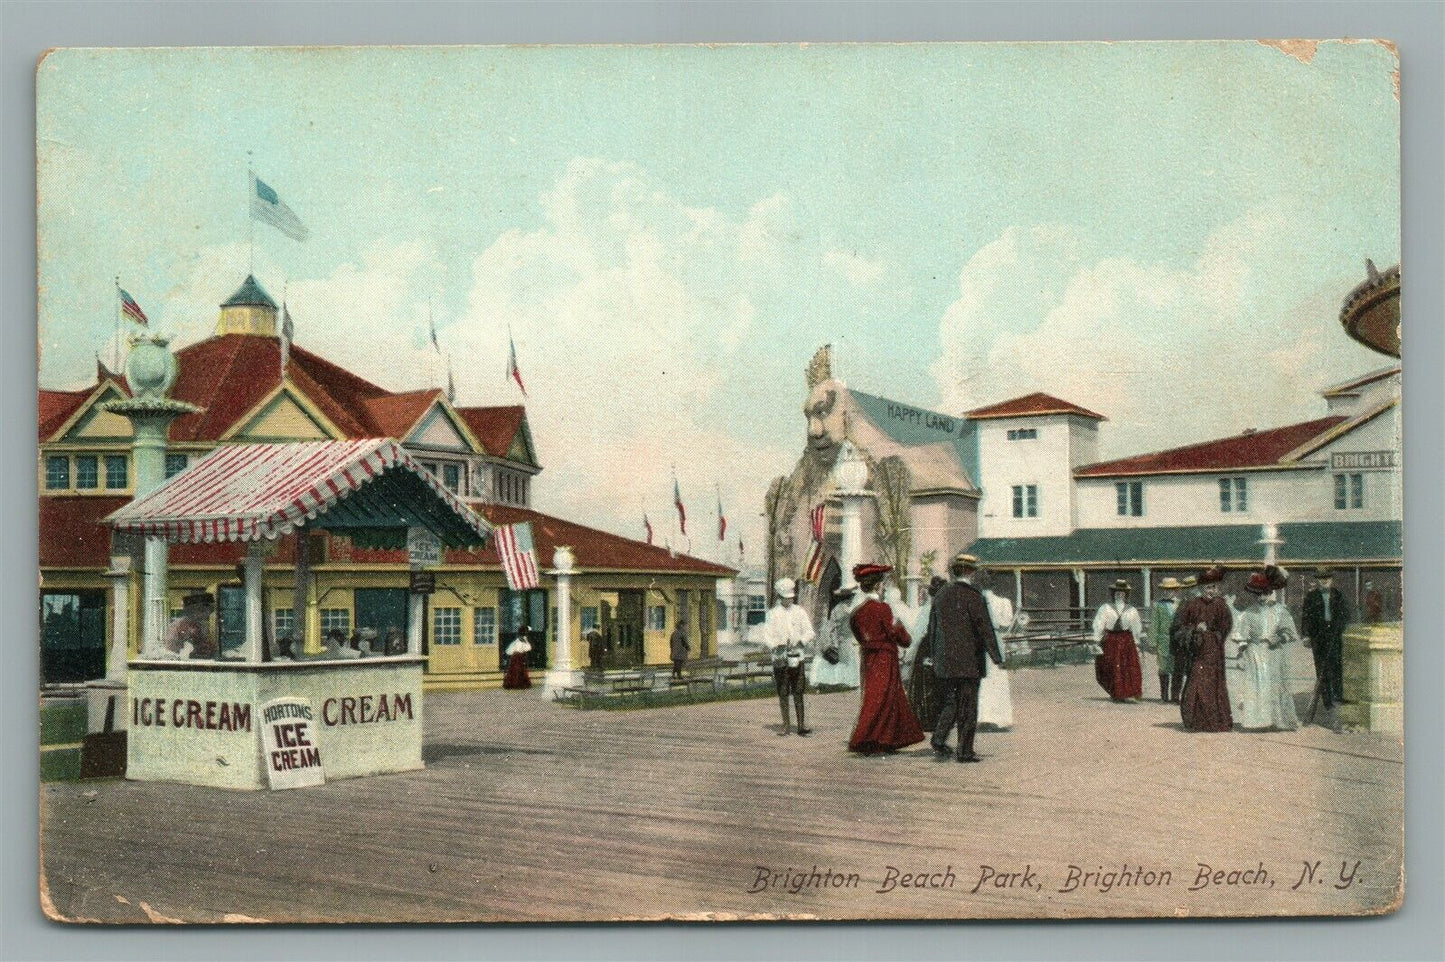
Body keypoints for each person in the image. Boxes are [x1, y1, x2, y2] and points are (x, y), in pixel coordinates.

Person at [923, 553, 1003, 763]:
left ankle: (939, 739)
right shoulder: (974, 597)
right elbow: (984, 628)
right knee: (968, 706)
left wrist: (933, 655)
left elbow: (932, 629)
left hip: (945, 661)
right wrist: (996, 656)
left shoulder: (940, 595)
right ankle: (965, 750)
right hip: (969, 662)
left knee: (951, 702)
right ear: (971, 572)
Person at [848, 563, 925, 754]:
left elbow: (858, 633)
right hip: (885, 657)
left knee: (873, 694)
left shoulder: (857, 611)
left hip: (868, 656)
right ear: (877, 586)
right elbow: (896, 634)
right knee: (885, 696)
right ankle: (872, 737)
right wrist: (903, 635)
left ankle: (880, 736)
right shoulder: (882, 609)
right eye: (882, 584)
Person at [1234, 566, 1300, 732]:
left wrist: (1278, 637)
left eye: (1265, 593)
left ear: (1271, 592)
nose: (1262, 597)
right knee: (1257, 685)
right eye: (1259, 594)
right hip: (1254, 652)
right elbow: (1241, 635)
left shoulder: (1280, 611)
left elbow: (1290, 632)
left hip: (1274, 652)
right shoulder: (1249, 613)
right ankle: (1258, 721)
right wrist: (1242, 651)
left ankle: (1279, 720)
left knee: (1276, 685)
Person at [1172, 565, 1234, 732]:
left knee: (1214, 684)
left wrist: (1215, 635)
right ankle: (1194, 721)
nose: (1211, 591)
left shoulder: (1221, 605)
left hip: (1214, 651)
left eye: (1214, 587)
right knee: (1196, 682)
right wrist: (1194, 630)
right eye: (1208, 587)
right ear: (1201, 588)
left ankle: (1214, 722)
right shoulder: (1190, 605)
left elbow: (1226, 627)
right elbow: (1178, 628)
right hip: (1197, 651)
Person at [762, 578, 815, 736]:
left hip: (796, 657)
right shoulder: (772, 614)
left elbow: (810, 631)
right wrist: (776, 644)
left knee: (798, 690)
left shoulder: (799, 611)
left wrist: (800, 641)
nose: (789, 600)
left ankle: (801, 725)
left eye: (791, 597)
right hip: (780, 657)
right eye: (786, 597)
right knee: (783, 691)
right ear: (779, 597)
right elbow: (766, 635)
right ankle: (786, 724)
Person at [1301, 567, 1350, 709]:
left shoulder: (1338, 595)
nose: (1324, 581)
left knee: (1336, 666)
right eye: (1321, 579)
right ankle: (1327, 701)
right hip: (1318, 636)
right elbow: (1306, 617)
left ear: (1331, 580)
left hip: (1334, 635)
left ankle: (1338, 696)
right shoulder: (1311, 597)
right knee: (1321, 668)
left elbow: (1345, 615)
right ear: (1317, 580)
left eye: (1327, 579)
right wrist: (1306, 636)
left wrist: (1340, 628)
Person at [905, 576, 947, 733]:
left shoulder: (927, 610)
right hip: (939, 646)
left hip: (928, 646)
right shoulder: (945, 608)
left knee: (926, 682)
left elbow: (917, 633)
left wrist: (910, 653)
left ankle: (926, 718)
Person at [1091, 580, 1143, 701]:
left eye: (1122, 593)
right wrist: (1097, 639)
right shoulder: (1106, 608)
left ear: (1126, 595)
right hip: (1111, 639)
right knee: (1110, 665)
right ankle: (1115, 692)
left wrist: (1136, 642)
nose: (1120, 595)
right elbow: (1099, 624)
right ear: (1113, 594)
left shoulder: (1132, 610)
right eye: (1117, 593)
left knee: (1127, 666)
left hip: (1126, 640)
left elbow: (1136, 626)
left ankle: (1126, 693)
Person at [976, 570, 1015, 730]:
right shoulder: (1003, 602)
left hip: (978, 641)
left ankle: (983, 716)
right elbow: (1006, 623)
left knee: (981, 677)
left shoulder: (976, 601)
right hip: (996, 640)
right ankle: (999, 717)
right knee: (997, 676)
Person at [810, 586, 860, 690]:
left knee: (848, 660)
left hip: (847, 640)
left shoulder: (839, 608)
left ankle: (849, 682)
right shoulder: (854, 607)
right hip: (851, 641)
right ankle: (852, 683)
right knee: (851, 660)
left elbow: (830, 627)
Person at [1152, 577, 1186, 703]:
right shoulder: (1158, 605)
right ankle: (1164, 696)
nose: (1167, 592)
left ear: (1176, 590)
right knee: (1163, 667)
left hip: (1178, 640)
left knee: (1177, 668)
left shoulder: (1182, 604)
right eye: (1165, 590)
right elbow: (1155, 624)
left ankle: (1175, 696)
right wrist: (1153, 642)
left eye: (1170, 590)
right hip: (1163, 640)